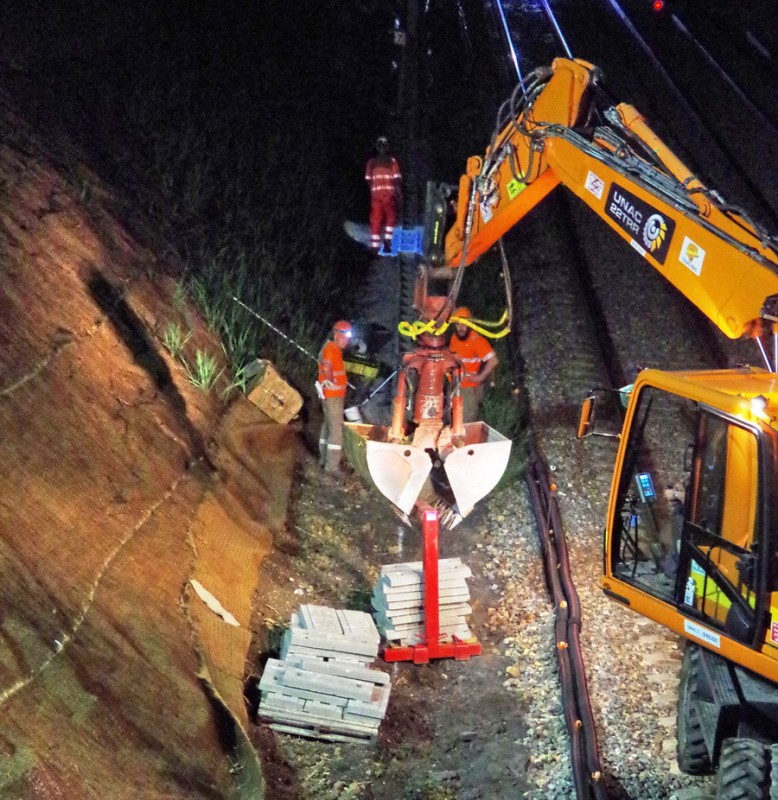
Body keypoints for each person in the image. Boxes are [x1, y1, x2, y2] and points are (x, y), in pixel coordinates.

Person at [448, 307, 499, 423]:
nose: (460, 328)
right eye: (458, 325)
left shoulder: (476, 340)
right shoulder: (454, 338)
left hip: (468, 390)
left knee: (465, 423)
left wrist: (480, 377)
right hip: (454, 386)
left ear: (470, 324)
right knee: (452, 420)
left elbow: (493, 360)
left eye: (464, 324)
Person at [317, 320, 352, 475]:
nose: (347, 341)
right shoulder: (331, 350)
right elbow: (326, 366)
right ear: (336, 335)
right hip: (333, 396)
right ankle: (332, 466)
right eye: (345, 337)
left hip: (329, 395)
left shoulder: (332, 348)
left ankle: (324, 460)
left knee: (328, 427)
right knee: (336, 431)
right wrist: (330, 380)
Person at [365, 136, 402, 255]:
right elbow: (396, 180)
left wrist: (374, 189)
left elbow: (368, 179)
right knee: (390, 218)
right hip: (388, 195)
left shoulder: (371, 162)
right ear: (387, 147)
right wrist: (399, 194)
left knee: (376, 219)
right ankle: (387, 241)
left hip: (376, 196)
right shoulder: (392, 161)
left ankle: (375, 247)